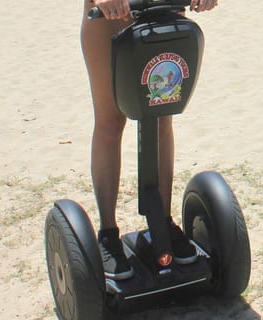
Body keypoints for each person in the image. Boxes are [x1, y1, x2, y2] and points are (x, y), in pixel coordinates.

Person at [81, 0, 218, 280]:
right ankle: (108, 234)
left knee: (161, 118)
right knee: (110, 123)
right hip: (109, 17)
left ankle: (162, 224)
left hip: (164, 10)